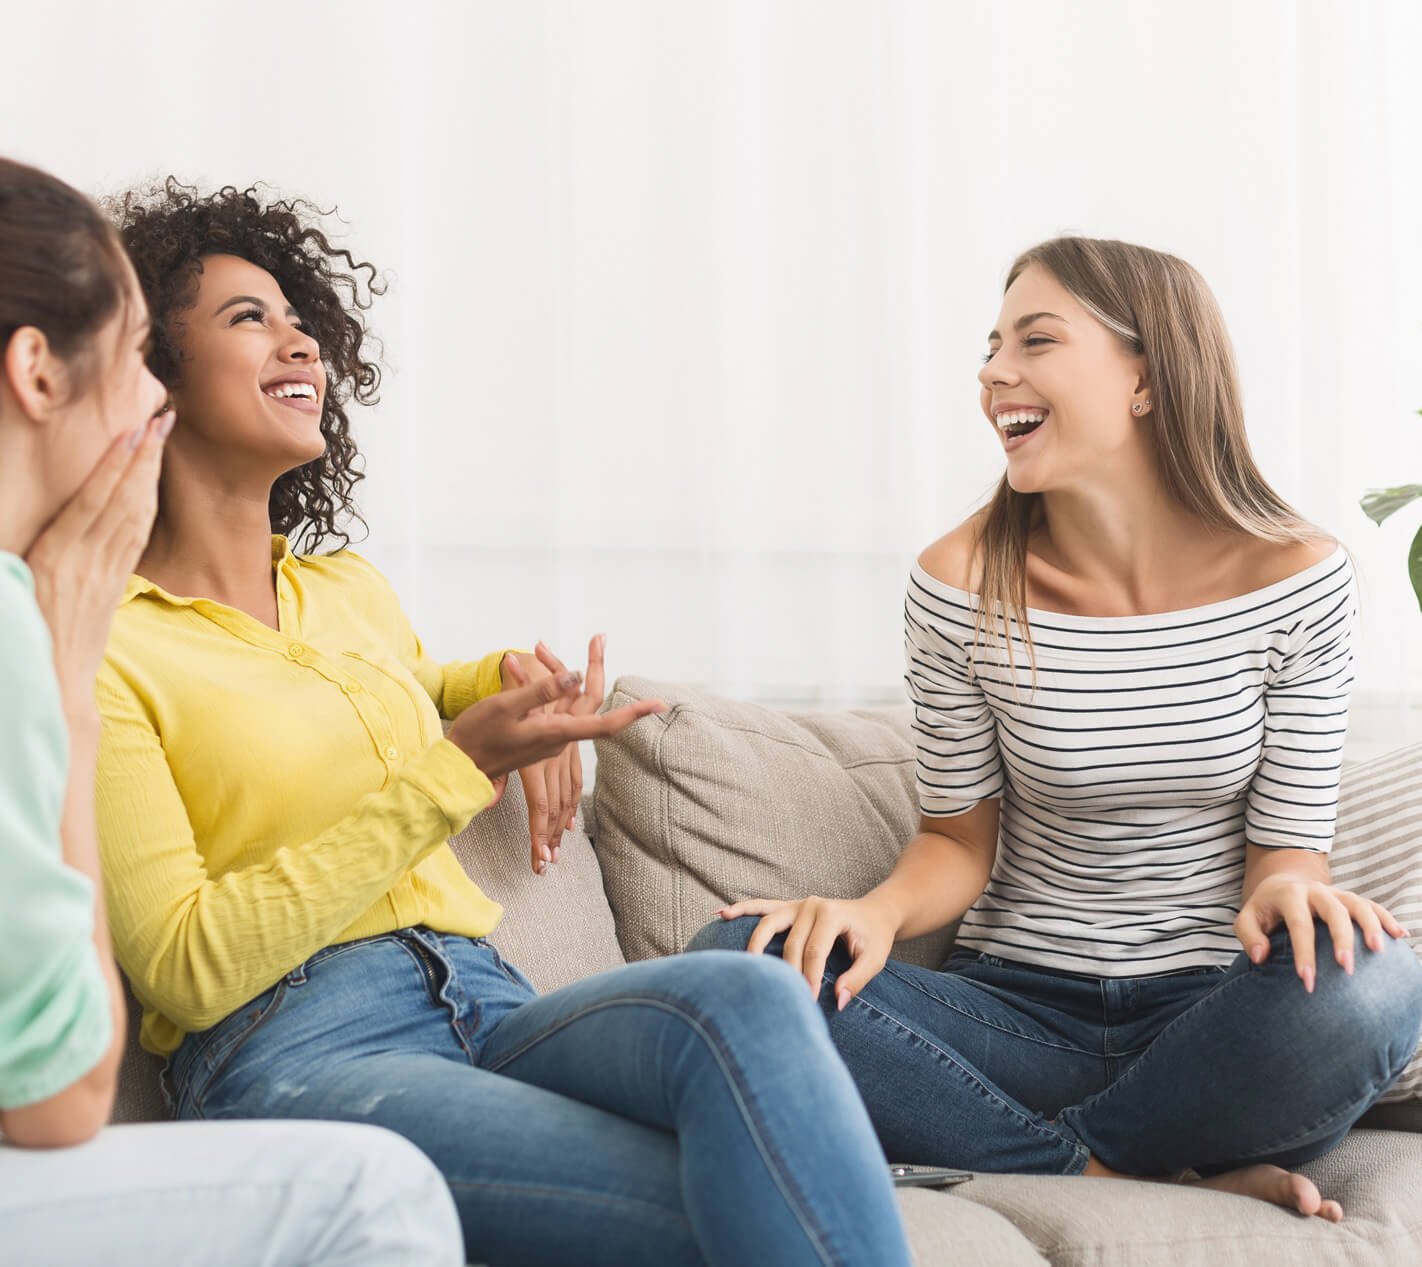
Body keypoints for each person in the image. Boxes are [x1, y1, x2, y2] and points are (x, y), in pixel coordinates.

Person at [91, 180, 913, 1267]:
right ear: (150, 374)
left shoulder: (346, 593)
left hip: (487, 997)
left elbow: (408, 683)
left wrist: (514, 682)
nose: (298, 340)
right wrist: (456, 767)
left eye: (301, 318)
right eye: (250, 318)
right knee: (732, 1196)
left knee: (750, 992)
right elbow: (186, 964)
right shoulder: (106, 648)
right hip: (295, 1048)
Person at [0, 150, 461, 1267]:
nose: (155, 397)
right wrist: (64, 683)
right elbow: (59, 1098)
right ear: (38, 374)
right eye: (132, 359)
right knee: (376, 1194)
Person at [692, 235, 1422, 1223]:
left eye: (1035, 341)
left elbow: (1286, 853)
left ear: (1146, 379)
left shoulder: (1294, 579)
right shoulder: (957, 580)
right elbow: (956, 839)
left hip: (1208, 1021)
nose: (995, 371)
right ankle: (1116, 1177)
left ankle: (1000, 1151)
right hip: (1014, 1013)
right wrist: (869, 912)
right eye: (991, 346)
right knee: (741, 956)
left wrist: (1293, 898)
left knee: (1372, 984)